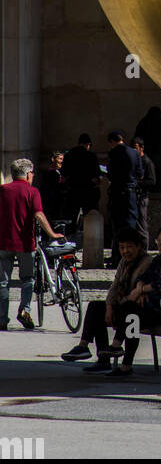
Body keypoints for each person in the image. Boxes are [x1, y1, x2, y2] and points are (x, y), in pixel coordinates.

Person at [60, 228, 150, 370]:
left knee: (130, 315)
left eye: (129, 247)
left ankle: (124, 361)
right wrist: (109, 306)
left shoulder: (147, 263)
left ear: (139, 246)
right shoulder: (124, 263)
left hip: (137, 310)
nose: (125, 251)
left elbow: (136, 293)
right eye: (122, 248)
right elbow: (114, 287)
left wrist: (121, 302)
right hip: (122, 304)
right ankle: (86, 348)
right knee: (95, 307)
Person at [110, 224, 161, 378]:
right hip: (149, 308)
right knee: (132, 318)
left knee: (130, 314)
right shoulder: (158, 260)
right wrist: (141, 288)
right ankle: (125, 362)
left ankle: (118, 347)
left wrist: (141, 290)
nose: (159, 244)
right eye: (158, 240)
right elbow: (144, 277)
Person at [0, 159, 64, 330]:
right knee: (27, 279)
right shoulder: (32, 191)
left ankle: (1, 318)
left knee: (3, 282)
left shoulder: (3, 190)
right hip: (26, 243)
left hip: (3, 242)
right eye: (32, 173)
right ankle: (24, 310)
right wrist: (52, 234)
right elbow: (39, 215)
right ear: (28, 174)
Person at [106, 130, 144, 266]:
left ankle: (118, 258)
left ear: (112, 141)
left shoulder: (113, 153)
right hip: (131, 194)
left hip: (117, 193)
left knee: (117, 227)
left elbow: (110, 174)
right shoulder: (134, 153)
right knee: (131, 226)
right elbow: (140, 173)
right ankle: (133, 257)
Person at [60, 133, 102, 230]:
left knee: (71, 219)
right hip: (88, 192)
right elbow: (96, 177)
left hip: (73, 191)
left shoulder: (69, 155)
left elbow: (64, 175)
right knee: (90, 219)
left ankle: (70, 240)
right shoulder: (91, 156)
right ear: (88, 144)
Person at [132, 137, 156, 248]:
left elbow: (151, 181)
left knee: (142, 225)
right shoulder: (134, 161)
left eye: (136, 148)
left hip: (142, 197)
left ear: (142, 148)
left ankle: (144, 249)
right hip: (134, 196)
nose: (134, 151)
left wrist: (137, 183)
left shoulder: (147, 162)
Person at [39, 150, 66, 226]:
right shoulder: (50, 173)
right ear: (53, 159)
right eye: (60, 159)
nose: (62, 161)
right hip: (51, 201)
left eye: (62, 159)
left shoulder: (59, 172)